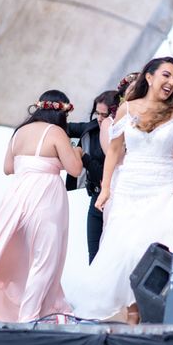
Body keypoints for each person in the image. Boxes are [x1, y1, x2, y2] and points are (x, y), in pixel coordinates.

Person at [69, 57, 173, 323]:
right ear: (149, 77)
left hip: (165, 187)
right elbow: (114, 151)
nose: (171, 82)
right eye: (166, 75)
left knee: (170, 245)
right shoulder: (126, 110)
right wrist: (105, 188)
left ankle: (165, 311)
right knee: (128, 249)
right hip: (130, 186)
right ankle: (133, 311)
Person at [0, 90, 83, 322]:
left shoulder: (20, 132)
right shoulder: (56, 132)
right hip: (44, 195)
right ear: (63, 112)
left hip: (17, 193)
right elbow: (75, 169)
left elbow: (8, 168)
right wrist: (75, 151)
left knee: (0, 247)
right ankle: (29, 317)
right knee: (44, 258)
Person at [67, 90, 118, 263]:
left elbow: (106, 173)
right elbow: (63, 127)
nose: (100, 118)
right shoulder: (91, 127)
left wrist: (83, 157)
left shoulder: (121, 136)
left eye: (105, 114)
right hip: (96, 198)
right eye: (97, 113)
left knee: (114, 256)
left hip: (117, 198)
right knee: (94, 257)